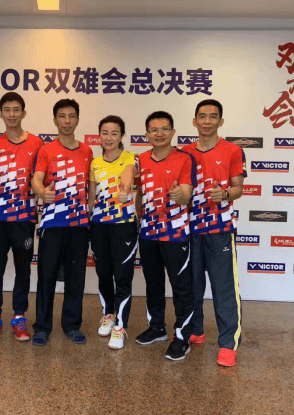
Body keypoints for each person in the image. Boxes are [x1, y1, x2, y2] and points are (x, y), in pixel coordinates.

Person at [182, 99, 246, 367]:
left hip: (220, 229)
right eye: (202, 116)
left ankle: (228, 344)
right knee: (191, 285)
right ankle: (195, 331)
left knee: (224, 288)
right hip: (190, 229)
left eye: (213, 116)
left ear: (221, 121)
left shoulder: (233, 150)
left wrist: (226, 194)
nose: (207, 121)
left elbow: (238, 188)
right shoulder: (184, 153)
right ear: (194, 121)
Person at [0, 93, 43, 342]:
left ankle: (19, 317)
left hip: (24, 217)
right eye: (7, 110)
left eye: (16, 110)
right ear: (0, 114)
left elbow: (41, 174)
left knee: (23, 269)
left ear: (24, 113)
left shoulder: (37, 143)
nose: (12, 114)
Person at [134, 111, 196, 361]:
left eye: (164, 129)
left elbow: (187, 193)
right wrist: (138, 216)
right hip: (148, 231)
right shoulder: (140, 159)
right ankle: (157, 327)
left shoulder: (185, 158)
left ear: (173, 132)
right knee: (153, 284)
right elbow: (140, 192)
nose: (159, 134)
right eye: (153, 130)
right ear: (146, 134)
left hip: (176, 232)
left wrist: (180, 195)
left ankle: (182, 337)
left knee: (181, 287)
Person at [31, 99, 93, 346]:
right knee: (46, 276)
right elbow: (37, 178)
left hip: (79, 224)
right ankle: (42, 327)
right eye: (62, 116)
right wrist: (41, 191)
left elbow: (91, 184)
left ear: (77, 119)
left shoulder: (87, 151)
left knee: (76, 278)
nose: (67, 121)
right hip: (53, 223)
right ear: (55, 119)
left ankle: (72, 325)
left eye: (71, 116)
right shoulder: (46, 150)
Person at [88, 116, 138, 350]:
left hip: (123, 224)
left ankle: (120, 326)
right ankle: (108, 314)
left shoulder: (130, 157)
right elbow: (91, 196)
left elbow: (128, 174)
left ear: (121, 136)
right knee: (104, 273)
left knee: (123, 276)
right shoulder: (95, 163)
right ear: (99, 135)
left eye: (114, 133)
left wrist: (125, 190)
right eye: (105, 133)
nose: (109, 138)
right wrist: (87, 217)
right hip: (99, 225)